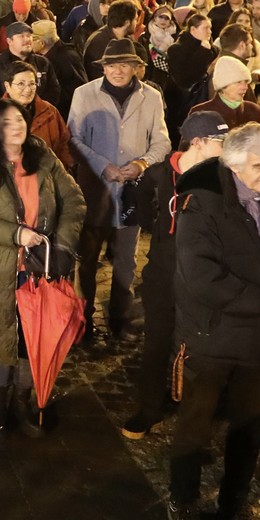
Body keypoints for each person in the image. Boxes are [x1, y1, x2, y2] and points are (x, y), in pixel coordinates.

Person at [164, 124, 260, 520]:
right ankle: (183, 502)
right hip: (210, 337)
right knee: (195, 427)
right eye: (259, 166)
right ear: (233, 165)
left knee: (250, 426)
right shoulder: (200, 205)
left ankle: (234, 503)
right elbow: (202, 278)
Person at [0, 97, 86, 436]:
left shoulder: (44, 159)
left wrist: (61, 244)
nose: (16, 126)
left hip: (40, 268)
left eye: (19, 119)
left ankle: (24, 401)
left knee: (35, 335)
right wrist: (15, 234)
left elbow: (74, 201)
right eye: (6, 122)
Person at [120, 110, 228, 436]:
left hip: (203, 277)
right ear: (199, 142)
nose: (227, 147)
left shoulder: (223, 178)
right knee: (156, 343)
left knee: (199, 348)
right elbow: (142, 209)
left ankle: (195, 420)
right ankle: (149, 407)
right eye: (221, 141)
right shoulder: (157, 175)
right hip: (163, 275)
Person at [68, 39, 172, 345]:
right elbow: (73, 140)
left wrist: (142, 162)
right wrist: (103, 166)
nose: (117, 70)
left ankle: (120, 319)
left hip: (131, 194)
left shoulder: (151, 97)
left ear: (136, 67)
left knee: (126, 260)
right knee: (87, 259)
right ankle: (82, 319)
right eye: (111, 65)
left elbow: (163, 142)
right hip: (94, 192)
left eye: (124, 64)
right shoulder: (84, 94)